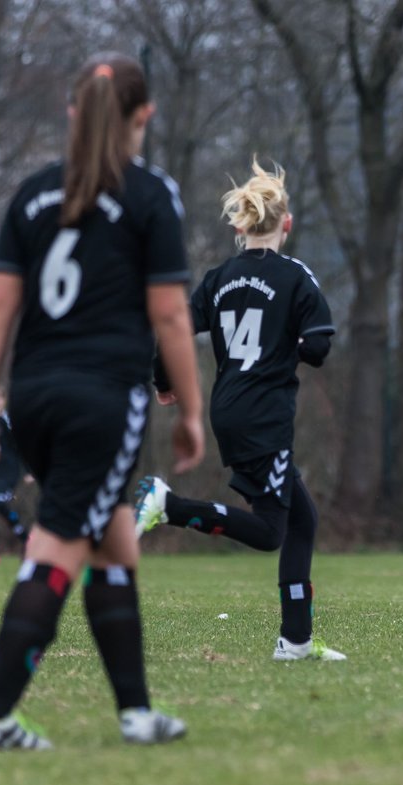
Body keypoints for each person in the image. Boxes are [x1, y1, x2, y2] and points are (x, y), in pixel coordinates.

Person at [0, 53, 205, 749]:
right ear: (142, 118)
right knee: (58, 547)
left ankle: (136, 713)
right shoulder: (148, 195)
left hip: (33, 396)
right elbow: (171, 315)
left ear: (72, 113)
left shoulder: (31, 193)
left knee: (116, 541)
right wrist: (193, 411)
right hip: (102, 401)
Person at [134, 158, 344, 662]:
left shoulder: (220, 276)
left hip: (228, 406)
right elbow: (318, 347)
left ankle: (295, 642)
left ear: (239, 225)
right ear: (286, 224)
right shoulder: (295, 276)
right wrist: (287, 342)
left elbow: (172, 333)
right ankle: (170, 505)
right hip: (266, 414)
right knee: (273, 531)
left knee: (302, 520)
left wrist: (164, 381)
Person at [0, 389, 29, 564]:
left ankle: (26, 539)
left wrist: (29, 471)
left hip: (9, 472)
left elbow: (22, 446)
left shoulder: (8, 421)